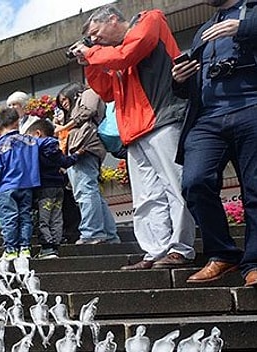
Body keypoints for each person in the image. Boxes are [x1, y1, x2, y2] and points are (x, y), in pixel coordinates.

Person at [74, 6, 195, 271]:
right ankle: (154, 250)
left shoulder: (149, 20)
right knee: (145, 196)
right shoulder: (111, 54)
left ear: (114, 19)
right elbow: (106, 92)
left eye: (96, 33)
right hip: (133, 130)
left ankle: (181, 247)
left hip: (162, 117)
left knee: (175, 187)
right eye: (91, 39)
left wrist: (92, 53)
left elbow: (128, 54)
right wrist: (90, 64)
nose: (94, 41)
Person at [175, 0, 257, 288]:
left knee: (255, 189)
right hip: (208, 118)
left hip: (252, 105)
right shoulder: (204, 30)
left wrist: (245, 27)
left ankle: (255, 262)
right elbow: (197, 79)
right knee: (194, 182)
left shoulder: (253, 10)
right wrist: (181, 80)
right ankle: (223, 253)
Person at [55, 83, 120, 244]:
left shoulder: (89, 92)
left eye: (64, 99)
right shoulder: (69, 115)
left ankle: (92, 232)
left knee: (86, 192)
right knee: (90, 193)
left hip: (85, 148)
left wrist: (65, 125)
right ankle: (109, 234)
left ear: (73, 93)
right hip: (77, 151)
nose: (63, 103)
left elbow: (87, 111)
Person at [0, 108, 41, 259]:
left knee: (9, 218)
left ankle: (11, 249)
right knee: (25, 217)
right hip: (27, 186)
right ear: (17, 122)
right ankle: (25, 248)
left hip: (6, 188)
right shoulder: (31, 142)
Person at [27, 119, 78, 259]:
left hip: (44, 188)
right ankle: (55, 246)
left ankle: (47, 248)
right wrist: (77, 156)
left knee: (44, 218)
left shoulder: (39, 146)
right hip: (58, 187)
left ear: (37, 133)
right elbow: (65, 162)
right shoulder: (53, 148)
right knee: (56, 217)